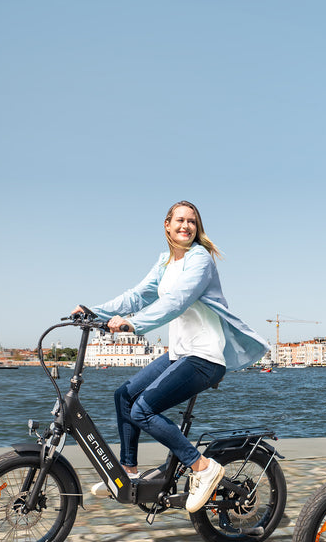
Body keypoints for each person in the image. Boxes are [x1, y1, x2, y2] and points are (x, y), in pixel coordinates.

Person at [73, 201, 268, 513]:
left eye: (192, 221)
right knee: (123, 395)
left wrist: (134, 323)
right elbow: (137, 295)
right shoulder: (165, 262)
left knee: (143, 410)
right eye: (180, 220)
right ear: (167, 225)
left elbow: (177, 301)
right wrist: (95, 311)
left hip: (205, 356)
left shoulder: (200, 260)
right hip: (180, 354)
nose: (186, 226)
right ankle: (129, 474)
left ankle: (202, 467)